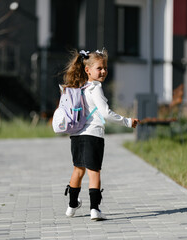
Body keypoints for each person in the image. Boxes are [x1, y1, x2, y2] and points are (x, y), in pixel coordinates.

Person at [62, 49, 140, 220]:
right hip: (93, 135)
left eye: (105, 67)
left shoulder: (80, 88)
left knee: (78, 170)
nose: (103, 71)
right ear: (88, 70)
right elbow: (105, 113)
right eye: (99, 68)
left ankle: (71, 206)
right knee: (94, 172)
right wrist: (126, 121)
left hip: (77, 135)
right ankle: (94, 209)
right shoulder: (95, 89)